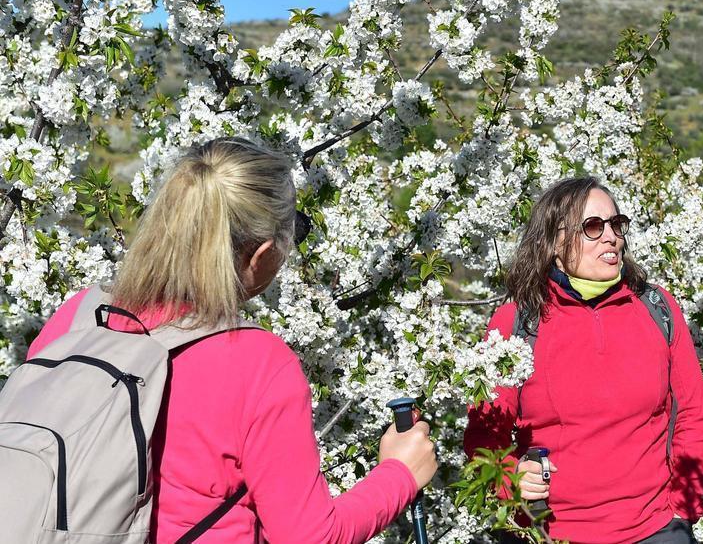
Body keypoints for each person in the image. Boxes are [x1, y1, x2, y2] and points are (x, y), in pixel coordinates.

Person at [26, 137, 437, 543]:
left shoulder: (77, 316)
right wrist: (398, 475)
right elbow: (309, 537)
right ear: (260, 254)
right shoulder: (257, 364)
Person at [464, 176, 703, 544]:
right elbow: (484, 435)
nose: (612, 237)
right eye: (593, 227)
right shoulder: (517, 323)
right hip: (551, 533)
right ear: (555, 242)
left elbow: (692, 408)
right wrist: (511, 479)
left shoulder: (656, 308)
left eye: (617, 224)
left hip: (654, 528)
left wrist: (684, 506)